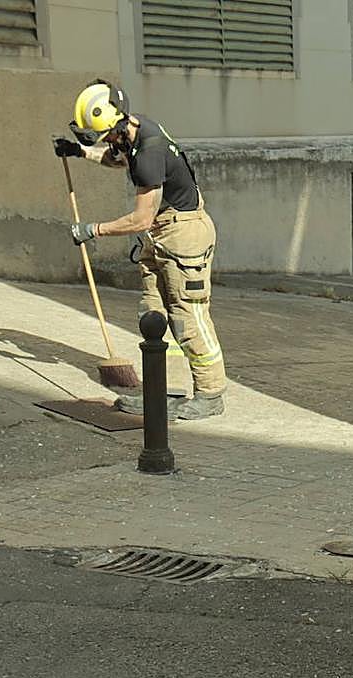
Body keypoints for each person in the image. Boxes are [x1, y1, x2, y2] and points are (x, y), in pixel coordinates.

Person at [54, 79, 226, 421]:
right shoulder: (135, 129)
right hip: (161, 235)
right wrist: (80, 152)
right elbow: (118, 159)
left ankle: (210, 393)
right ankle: (161, 389)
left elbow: (140, 218)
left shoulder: (149, 150)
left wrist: (93, 230)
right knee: (153, 316)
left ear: (118, 125)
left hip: (183, 235)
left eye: (104, 137)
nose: (107, 143)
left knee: (188, 317)